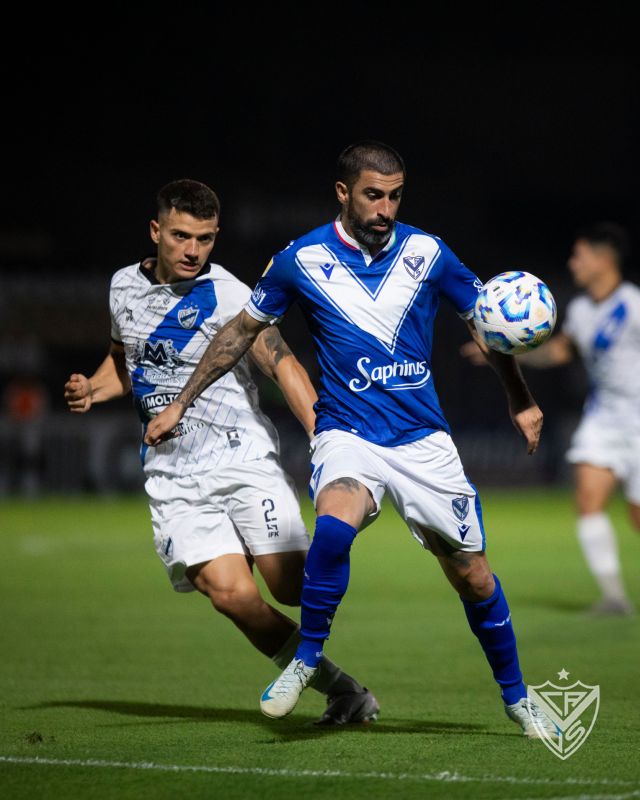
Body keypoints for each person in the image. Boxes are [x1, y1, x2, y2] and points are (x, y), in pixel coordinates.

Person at [144, 146, 559, 741]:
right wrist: (180, 403)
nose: (385, 208)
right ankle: (306, 659)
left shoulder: (428, 253)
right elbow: (239, 334)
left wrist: (519, 397)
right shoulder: (300, 260)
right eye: (373, 195)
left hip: (422, 440)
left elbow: (486, 324)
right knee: (335, 523)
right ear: (343, 193)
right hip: (347, 431)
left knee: (473, 576)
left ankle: (517, 699)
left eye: (395, 196)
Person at [64, 178, 378, 726]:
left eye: (205, 239)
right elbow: (126, 360)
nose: (193, 250)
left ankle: (341, 525)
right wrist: (93, 387)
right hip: (173, 476)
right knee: (232, 596)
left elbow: (283, 364)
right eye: (181, 236)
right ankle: (344, 691)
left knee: (289, 586)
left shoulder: (230, 294)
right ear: (156, 230)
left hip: (241, 459)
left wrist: (325, 437)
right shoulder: (122, 287)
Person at [464, 222, 638, 615]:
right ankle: (614, 598)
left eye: (579, 256)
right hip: (604, 418)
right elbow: (560, 351)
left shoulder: (634, 304)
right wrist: (505, 353)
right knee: (588, 500)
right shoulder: (580, 310)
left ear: (602, 259)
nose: (573, 263)